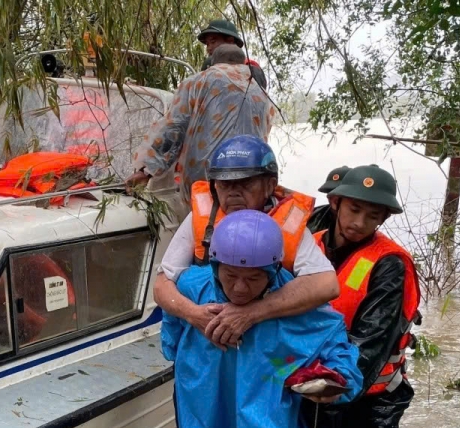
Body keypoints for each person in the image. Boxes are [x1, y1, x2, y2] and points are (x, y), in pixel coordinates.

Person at [161, 210, 362, 428]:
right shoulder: (194, 291)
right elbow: (171, 339)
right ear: (215, 267)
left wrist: (331, 382)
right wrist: (193, 318)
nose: (239, 288)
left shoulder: (294, 306)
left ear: (272, 272)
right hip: (207, 409)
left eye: (253, 279)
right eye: (230, 275)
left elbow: (338, 354)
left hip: (263, 421)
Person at [305, 165, 422, 428]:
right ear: (336, 203)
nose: (359, 222)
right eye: (354, 209)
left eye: (372, 215)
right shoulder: (311, 238)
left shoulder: (389, 265)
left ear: (383, 219)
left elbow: (369, 342)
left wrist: (332, 388)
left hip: (368, 400)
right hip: (314, 388)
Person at [152, 135, 337, 349]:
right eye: (225, 184)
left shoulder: (288, 223)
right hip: (206, 345)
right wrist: (195, 315)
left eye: (245, 183)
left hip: (265, 347)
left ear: (270, 185)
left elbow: (327, 285)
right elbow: (161, 286)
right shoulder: (201, 217)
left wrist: (252, 312)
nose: (233, 193)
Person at [126, 46, 273, 204]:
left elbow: (174, 127)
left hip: (206, 183)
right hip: (250, 184)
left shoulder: (198, 81)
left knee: (205, 223)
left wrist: (146, 170)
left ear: (213, 62)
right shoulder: (259, 91)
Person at [196, 18, 269, 90]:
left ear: (230, 41)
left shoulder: (250, 67)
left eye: (213, 42)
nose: (209, 48)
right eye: (207, 44)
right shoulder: (208, 68)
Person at [306, 165, 351, 233]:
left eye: (342, 193)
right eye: (330, 191)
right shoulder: (312, 217)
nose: (335, 199)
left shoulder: (363, 223)